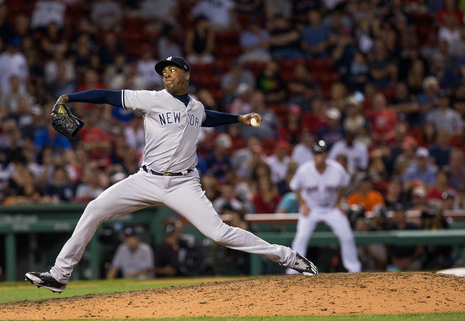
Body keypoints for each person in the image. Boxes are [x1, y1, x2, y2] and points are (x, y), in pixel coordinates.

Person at [26, 56, 318, 293]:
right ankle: (59, 275)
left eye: (172, 69)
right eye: (163, 71)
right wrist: (71, 96)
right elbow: (107, 96)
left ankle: (288, 257)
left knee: (219, 233)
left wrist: (239, 119)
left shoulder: (197, 107)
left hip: (183, 183)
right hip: (146, 179)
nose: (166, 73)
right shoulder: (151, 99)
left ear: (187, 75)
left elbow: (207, 117)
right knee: (94, 208)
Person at [287, 140, 361, 274]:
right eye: (314, 153)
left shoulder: (337, 169)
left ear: (326, 155)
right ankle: (293, 271)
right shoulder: (304, 170)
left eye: (319, 154)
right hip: (311, 208)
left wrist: (338, 202)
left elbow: (344, 184)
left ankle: (353, 268)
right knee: (301, 237)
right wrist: (303, 204)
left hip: (330, 208)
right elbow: (294, 186)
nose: (316, 156)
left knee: (347, 236)